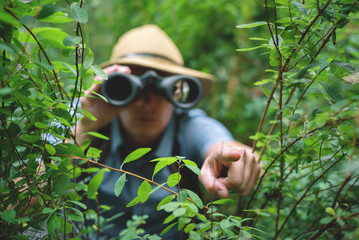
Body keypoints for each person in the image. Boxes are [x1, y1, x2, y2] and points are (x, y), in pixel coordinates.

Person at [74, 24, 261, 239]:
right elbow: (30, 196)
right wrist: (85, 125)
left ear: (178, 95)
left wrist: (235, 160)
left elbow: (221, 144)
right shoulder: (90, 124)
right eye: (130, 87)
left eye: (163, 89)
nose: (146, 102)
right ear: (112, 89)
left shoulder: (188, 126)